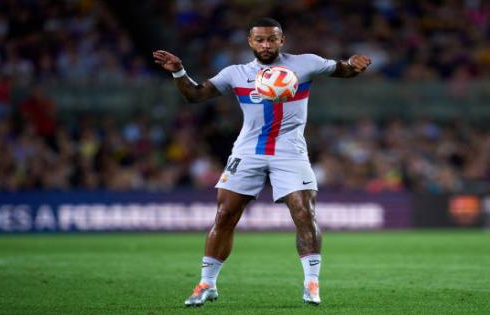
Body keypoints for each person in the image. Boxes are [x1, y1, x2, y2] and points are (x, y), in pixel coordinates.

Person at [153, 17, 371, 307]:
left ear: (282, 40)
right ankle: (206, 284)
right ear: (250, 42)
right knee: (225, 215)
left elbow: (344, 69)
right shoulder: (236, 73)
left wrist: (354, 64)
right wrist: (179, 71)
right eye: (260, 40)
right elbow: (196, 94)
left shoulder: (305, 63)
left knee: (304, 213)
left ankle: (311, 283)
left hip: (290, 151)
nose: (266, 45)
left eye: (271, 39)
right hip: (247, 151)